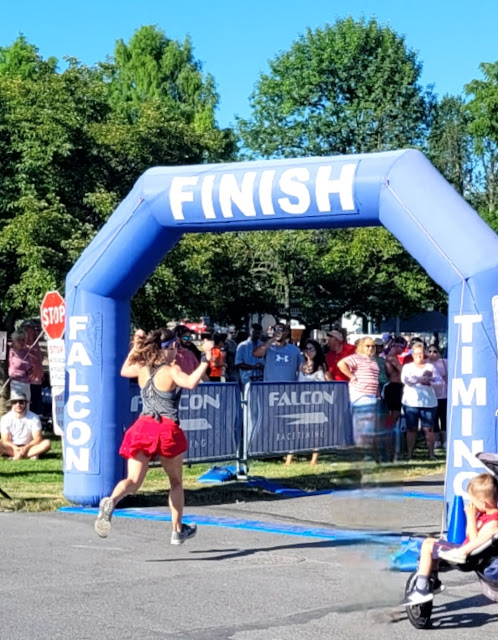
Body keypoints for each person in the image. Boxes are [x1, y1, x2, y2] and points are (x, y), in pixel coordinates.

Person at [94, 328, 213, 543]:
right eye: (176, 346)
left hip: (143, 426)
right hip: (166, 427)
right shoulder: (172, 370)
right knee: (175, 482)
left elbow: (124, 370)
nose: (177, 351)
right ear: (169, 347)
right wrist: (206, 359)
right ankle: (177, 530)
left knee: (132, 480)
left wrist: (136, 346)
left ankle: (111, 500)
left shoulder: (143, 368)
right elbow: (190, 383)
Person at [403, 473, 498, 605]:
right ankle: (434, 582)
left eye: (473, 500)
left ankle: (421, 589)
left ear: (483, 502)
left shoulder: (493, 522)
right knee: (434, 547)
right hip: (469, 555)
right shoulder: (484, 515)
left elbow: (475, 541)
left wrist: (470, 517)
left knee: (428, 544)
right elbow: (469, 534)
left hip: (468, 558)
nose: (471, 503)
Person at [287, 339, 332, 466]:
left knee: (316, 431)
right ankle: (289, 459)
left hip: (317, 402)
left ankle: (314, 459)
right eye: (306, 349)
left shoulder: (322, 366)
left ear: (317, 350)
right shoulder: (301, 365)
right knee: (295, 429)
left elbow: (330, 382)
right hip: (302, 401)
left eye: (311, 348)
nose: (308, 351)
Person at [401, 342, 442, 460]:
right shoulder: (407, 367)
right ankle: (409, 454)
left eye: (421, 353)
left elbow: (439, 381)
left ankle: (431, 454)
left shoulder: (431, 367)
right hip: (411, 402)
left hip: (429, 403)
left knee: (428, 429)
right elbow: (405, 380)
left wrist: (430, 382)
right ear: (412, 355)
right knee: (411, 428)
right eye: (416, 353)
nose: (419, 356)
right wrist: (419, 379)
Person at [0, 390, 51, 460]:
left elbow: (38, 438)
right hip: (11, 447)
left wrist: (26, 448)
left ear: (26, 403)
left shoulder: (34, 417)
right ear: (11, 404)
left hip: (30, 446)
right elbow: (5, 440)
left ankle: (16, 456)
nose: (18, 405)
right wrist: (15, 448)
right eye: (15, 402)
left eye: (21, 402)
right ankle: (27, 455)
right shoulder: (5, 418)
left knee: (47, 443)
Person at [337, 337, 380, 403]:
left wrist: (378, 395)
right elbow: (341, 364)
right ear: (362, 346)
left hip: (372, 394)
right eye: (368, 346)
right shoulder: (356, 357)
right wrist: (351, 376)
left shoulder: (373, 360)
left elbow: (375, 378)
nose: (370, 348)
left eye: (373, 346)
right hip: (359, 394)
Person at [427, 344, 448, 448]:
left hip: (444, 394)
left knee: (444, 417)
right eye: (430, 351)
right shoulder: (425, 363)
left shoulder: (445, 362)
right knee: (434, 418)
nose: (432, 354)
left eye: (435, 351)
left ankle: (445, 440)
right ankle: (436, 440)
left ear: (439, 353)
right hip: (431, 395)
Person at [22, 321, 44, 415]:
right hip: (29, 379)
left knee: (36, 399)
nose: (32, 333)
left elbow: (40, 359)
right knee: (29, 400)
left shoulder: (35, 345)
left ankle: (37, 415)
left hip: (37, 378)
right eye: (29, 330)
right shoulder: (23, 346)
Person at [8, 330, 32, 400]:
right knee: (18, 403)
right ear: (14, 341)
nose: (22, 342)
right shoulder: (11, 352)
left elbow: (31, 366)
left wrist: (31, 371)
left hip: (26, 383)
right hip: (16, 383)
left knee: (26, 403)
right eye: (19, 340)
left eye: (23, 340)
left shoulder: (27, 352)